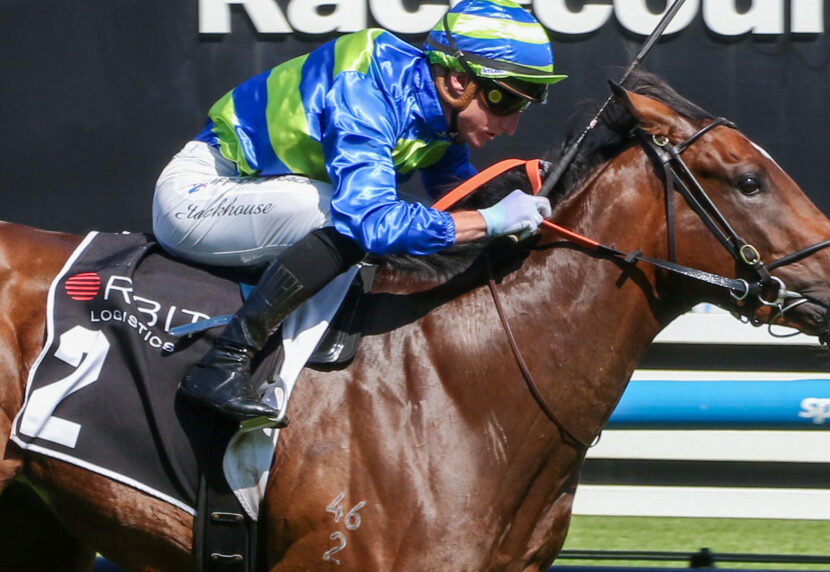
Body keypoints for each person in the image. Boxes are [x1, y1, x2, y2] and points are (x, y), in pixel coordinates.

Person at [152, 0, 567, 424]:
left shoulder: (442, 112)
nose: (511, 126)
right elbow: (370, 222)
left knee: (376, 216)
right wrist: (490, 220)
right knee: (344, 217)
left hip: (262, 199)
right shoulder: (366, 83)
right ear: (458, 80)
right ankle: (224, 363)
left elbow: (458, 197)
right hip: (200, 196)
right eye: (503, 101)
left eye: (523, 106)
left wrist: (538, 196)